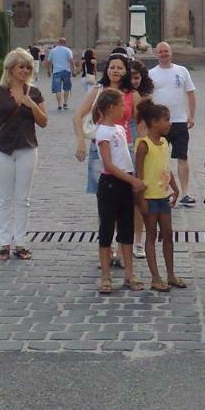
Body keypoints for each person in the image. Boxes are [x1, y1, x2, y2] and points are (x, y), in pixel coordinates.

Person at [0, 48, 47, 261]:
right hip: (1, 148)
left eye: (28, 67)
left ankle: (20, 242)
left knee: (23, 198)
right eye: (21, 66)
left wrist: (31, 105)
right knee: (4, 198)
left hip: (27, 147)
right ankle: (4, 243)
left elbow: (44, 122)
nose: (25, 70)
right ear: (10, 69)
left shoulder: (34, 93)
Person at [74, 54, 136, 265]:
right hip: (100, 149)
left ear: (126, 71)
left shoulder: (130, 94)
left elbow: (141, 122)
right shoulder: (97, 91)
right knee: (104, 204)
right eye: (112, 67)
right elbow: (78, 115)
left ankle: (122, 250)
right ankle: (106, 249)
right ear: (106, 70)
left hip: (125, 148)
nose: (115, 71)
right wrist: (81, 141)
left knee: (124, 203)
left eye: (119, 67)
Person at [93, 88, 145, 293]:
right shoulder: (103, 132)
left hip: (124, 184)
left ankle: (129, 273)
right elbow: (109, 165)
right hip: (111, 184)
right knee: (106, 229)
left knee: (126, 229)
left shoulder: (119, 129)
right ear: (111, 107)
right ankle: (105, 275)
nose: (125, 108)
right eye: (122, 104)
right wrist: (132, 180)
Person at [134, 99, 187, 291]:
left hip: (163, 196)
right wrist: (140, 200)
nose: (169, 123)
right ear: (154, 122)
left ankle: (171, 274)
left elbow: (166, 168)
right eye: (166, 120)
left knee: (168, 235)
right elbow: (139, 175)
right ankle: (155, 277)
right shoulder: (143, 145)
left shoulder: (164, 142)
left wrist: (174, 187)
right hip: (149, 198)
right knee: (151, 235)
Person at [149, 41, 198, 208]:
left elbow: (190, 93)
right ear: (156, 54)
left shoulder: (181, 71)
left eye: (166, 51)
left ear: (171, 53)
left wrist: (191, 115)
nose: (163, 54)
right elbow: (147, 98)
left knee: (182, 157)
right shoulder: (151, 73)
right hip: (158, 123)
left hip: (179, 121)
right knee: (158, 159)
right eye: (160, 51)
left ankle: (185, 193)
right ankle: (162, 191)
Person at [128, 59, 155, 259]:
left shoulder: (145, 98)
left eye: (137, 77)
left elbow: (147, 126)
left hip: (139, 146)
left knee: (138, 198)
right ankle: (117, 242)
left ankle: (138, 240)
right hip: (119, 146)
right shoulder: (117, 95)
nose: (133, 81)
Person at [46, 36, 74, 111]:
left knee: (57, 89)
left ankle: (59, 105)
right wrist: (73, 70)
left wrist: (48, 71)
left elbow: (48, 62)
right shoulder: (68, 50)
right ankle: (65, 103)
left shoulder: (53, 51)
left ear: (58, 42)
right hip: (66, 71)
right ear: (65, 43)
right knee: (66, 88)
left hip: (56, 72)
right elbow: (71, 60)